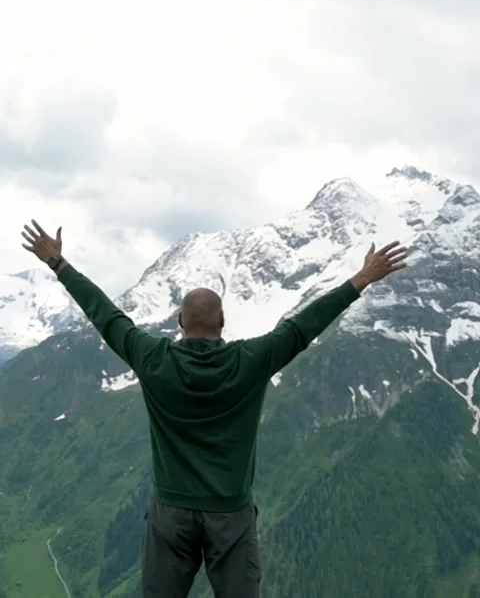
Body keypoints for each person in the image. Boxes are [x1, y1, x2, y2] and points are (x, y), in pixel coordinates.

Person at [21, 219, 408, 598]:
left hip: (170, 513)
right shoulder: (252, 360)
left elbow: (106, 316)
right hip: (231, 515)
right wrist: (361, 280)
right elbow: (303, 327)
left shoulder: (152, 358)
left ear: (179, 322)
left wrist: (59, 264)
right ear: (223, 322)